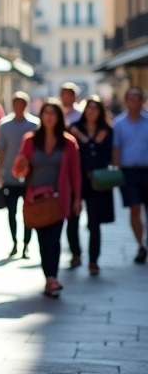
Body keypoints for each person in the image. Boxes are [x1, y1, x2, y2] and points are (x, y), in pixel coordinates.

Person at [11, 99, 81, 298]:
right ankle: (49, 277)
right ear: (41, 116)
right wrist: (21, 163)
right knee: (43, 240)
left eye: (53, 112)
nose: (49, 116)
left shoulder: (68, 143)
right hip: (37, 199)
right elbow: (19, 170)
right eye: (46, 112)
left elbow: (75, 173)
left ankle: (52, 278)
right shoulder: (31, 140)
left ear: (59, 117)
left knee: (55, 239)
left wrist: (77, 199)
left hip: (59, 198)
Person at [67, 97, 116, 275]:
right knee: (72, 218)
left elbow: (109, 154)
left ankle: (93, 259)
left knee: (94, 222)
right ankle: (75, 254)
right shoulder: (74, 128)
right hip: (77, 179)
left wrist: (92, 141)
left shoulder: (107, 130)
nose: (91, 111)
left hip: (98, 181)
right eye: (89, 108)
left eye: (96, 108)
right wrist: (84, 137)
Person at [0, 92, 41, 259]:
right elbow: (1, 150)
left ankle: (26, 244)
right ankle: (14, 242)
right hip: (10, 176)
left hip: (29, 177)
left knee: (28, 211)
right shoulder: (4, 125)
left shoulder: (35, 125)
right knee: (11, 211)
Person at [112, 86, 148, 264]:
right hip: (129, 172)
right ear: (126, 101)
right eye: (131, 99)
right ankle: (140, 245)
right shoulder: (119, 123)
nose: (135, 103)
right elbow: (116, 148)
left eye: (138, 99)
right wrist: (116, 172)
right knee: (135, 208)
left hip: (146, 170)